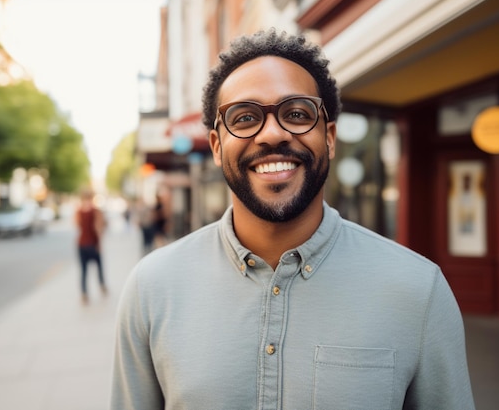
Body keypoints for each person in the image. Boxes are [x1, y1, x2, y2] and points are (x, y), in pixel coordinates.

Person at [111, 29, 475, 409]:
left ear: (329, 138)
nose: (272, 134)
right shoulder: (151, 289)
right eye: (245, 117)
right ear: (217, 147)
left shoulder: (418, 290)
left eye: (297, 114)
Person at [75, 189, 107, 304]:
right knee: (99, 266)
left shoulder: (78, 211)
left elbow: (77, 225)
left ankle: (84, 293)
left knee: (83, 270)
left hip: (81, 244)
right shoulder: (95, 210)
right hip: (93, 243)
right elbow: (98, 227)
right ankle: (102, 285)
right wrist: (99, 243)